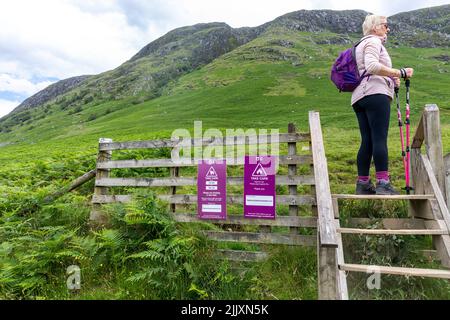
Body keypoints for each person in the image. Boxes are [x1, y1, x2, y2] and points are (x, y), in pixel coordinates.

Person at [352, 15, 414, 195]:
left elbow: (367, 68)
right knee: (379, 138)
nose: (388, 29)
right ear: (375, 27)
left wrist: (391, 77)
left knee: (367, 140)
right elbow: (371, 66)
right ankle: (383, 183)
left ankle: (363, 184)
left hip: (359, 97)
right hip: (376, 93)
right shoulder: (373, 41)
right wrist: (400, 72)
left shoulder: (360, 45)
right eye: (385, 25)